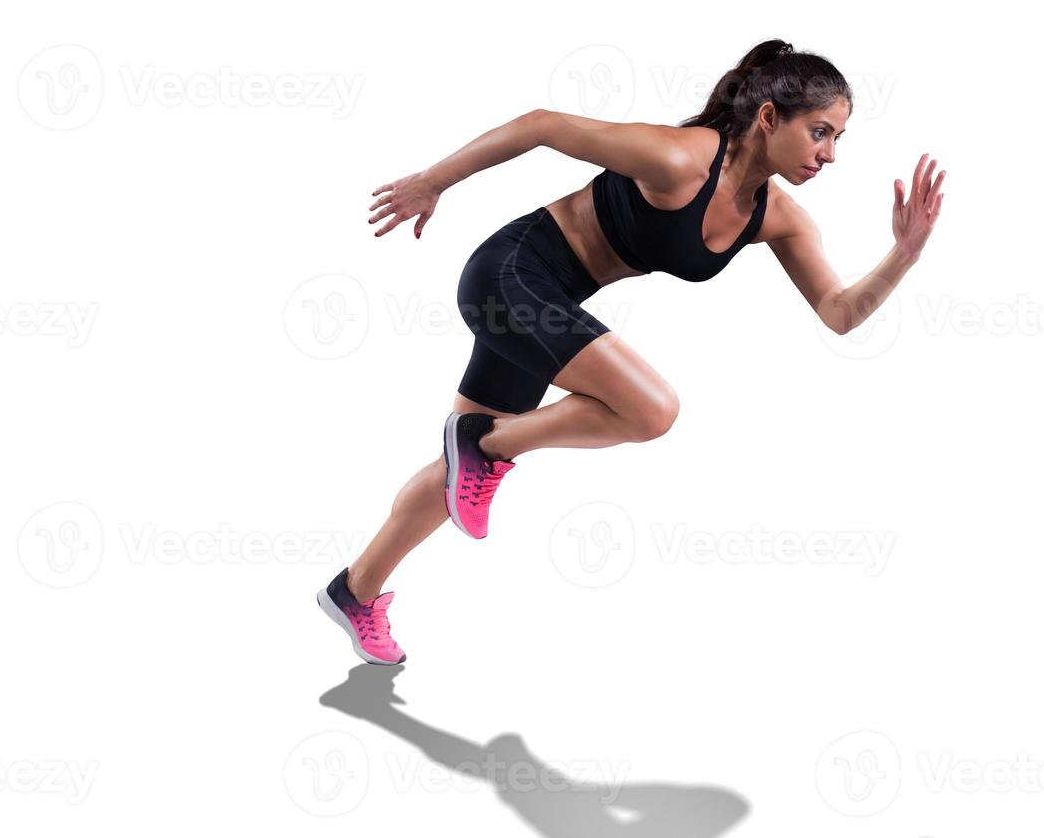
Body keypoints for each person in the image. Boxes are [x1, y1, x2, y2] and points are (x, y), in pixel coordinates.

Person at [315, 39, 946, 664]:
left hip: (547, 302)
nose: (830, 154)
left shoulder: (776, 215)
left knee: (456, 477)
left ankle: (356, 589)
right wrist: (431, 182)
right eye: (820, 132)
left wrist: (905, 254)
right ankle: (487, 443)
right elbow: (543, 125)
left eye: (838, 138)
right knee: (652, 410)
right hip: (510, 275)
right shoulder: (678, 158)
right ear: (768, 117)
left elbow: (839, 313)